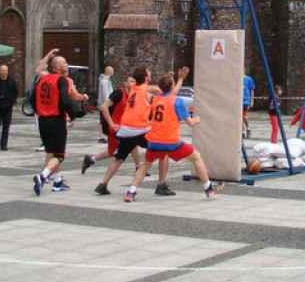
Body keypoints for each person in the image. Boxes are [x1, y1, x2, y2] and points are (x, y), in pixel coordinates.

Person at [124, 73, 216, 201]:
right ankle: (208, 188)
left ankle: (131, 192)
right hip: (170, 141)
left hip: (154, 140)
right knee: (196, 157)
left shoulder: (156, 100)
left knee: (145, 165)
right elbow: (191, 123)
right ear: (172, 86)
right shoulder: (177, 101)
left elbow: (166, 112)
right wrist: (197, 119)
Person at [110, 66, 187, 202]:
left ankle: (105, 184)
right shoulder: (148, 89)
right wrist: (180, 79)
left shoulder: (134, 88)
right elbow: (171, 93)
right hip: (140, 129)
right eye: (149, 72)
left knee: (121, 158)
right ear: (146, 77)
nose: (150, 72)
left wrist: (167, 77)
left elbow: (163, 89)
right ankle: (161, 184)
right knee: (161, 153)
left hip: (127, 128)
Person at [32, 49, 88, 195]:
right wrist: (73, 115)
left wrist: (39, 110)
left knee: (51, 151)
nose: (67, 65)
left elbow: (32, 98)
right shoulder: (61, 80)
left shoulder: (43, 79)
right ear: (57, 67)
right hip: (56, 120)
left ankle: (57, 182)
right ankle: (42, 176)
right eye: (65, 63)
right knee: (59, 155)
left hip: (43, 120)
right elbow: (66, 99)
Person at [81, 74, 142, 195]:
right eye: (131, 81)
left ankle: (91, 159)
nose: (133, 84)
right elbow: (103, 107)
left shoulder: (134, 95)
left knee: (113, 151)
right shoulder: (119, 93)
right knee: (122, 154)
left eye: (135, 82)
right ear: (125, 83)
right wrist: (111, 124)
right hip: (116, 129)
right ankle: (137, 167)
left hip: (125, 129)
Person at [0, 64, 19, 150]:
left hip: (8, 108)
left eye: (5, 70)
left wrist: (10, 103)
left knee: (6, 127)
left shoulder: (12, 82)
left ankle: (4, 145)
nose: (4, 72)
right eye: (2, 70)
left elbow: (15, 93)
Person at [96, 65, 114, 143]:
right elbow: (106, 94)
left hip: (104, 104)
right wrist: (108, 103)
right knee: (103, 121)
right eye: (112, 70)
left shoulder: (106, 81)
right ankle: (102, 136)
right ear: (109, 71)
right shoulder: (105, 82)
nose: (113, 72)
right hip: (105, 104)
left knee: (103, 120)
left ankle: (103, 135)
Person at [242, 74, 255, 138]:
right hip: (239, 101)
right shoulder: (237, 78)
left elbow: (252, 90)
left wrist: (252, 101)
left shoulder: (249, 79)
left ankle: (248, 128)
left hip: (246, 100)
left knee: (244, 116)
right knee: (240, 117)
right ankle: (242, 131)